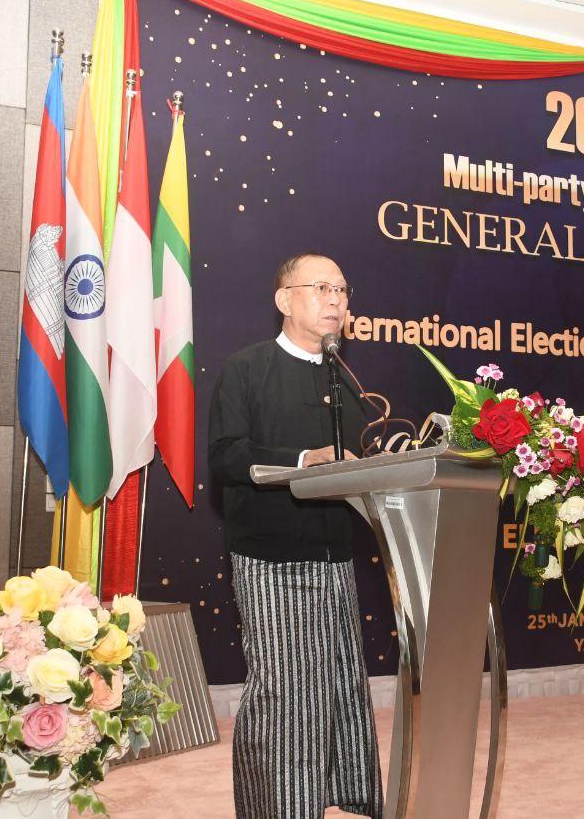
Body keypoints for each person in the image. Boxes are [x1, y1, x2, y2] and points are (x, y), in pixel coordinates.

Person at [208, 253, 383, 819]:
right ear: (284, 299)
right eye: (322, 288)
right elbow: (227, 456)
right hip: (271, 558)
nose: (336, 300)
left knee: (338, 688)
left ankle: (342, 800)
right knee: (285, 695)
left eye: (343, 290)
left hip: (335, 559)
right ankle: (277, 808)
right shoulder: (246, 369)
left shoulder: (346, 383)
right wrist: (306, 459)